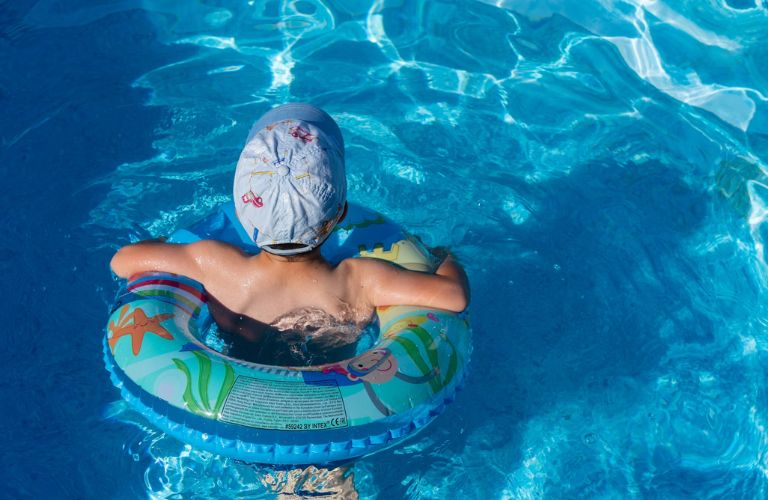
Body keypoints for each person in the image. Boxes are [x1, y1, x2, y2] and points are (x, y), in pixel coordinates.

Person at [110, 103, 469, 356]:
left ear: (242, 213)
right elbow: (454, 296)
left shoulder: (213, 263)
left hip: (235, 407)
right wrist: (441, 256)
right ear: (339, 213)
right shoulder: (359, 281)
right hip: (333, 414)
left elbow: (124, 261)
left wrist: (162, 243)